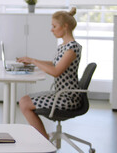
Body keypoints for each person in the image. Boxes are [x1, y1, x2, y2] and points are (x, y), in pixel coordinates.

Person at [17, 7, 82, 139]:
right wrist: (31, 61)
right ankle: (44, 138)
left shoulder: (72, 48)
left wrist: (34, 61)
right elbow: (54, 64)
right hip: (60, 93)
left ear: (65, 26)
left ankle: (44, 142)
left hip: (67, 98)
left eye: (54, 26)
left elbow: (56, 71)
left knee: (24, 103)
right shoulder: (64, 46)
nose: (51, 29)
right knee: (24, 100)